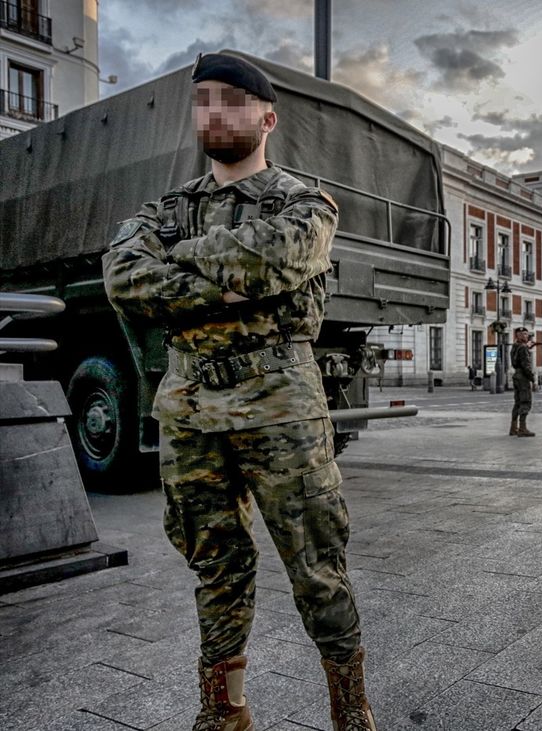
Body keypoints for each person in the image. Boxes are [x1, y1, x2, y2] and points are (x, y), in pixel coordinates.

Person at [101, 53, 376, 729]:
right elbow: (124, 281)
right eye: (203, 100)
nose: (215, 111)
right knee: (214, 565)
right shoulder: (162, 211)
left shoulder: (305, 205)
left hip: (281, 403)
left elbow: (275, 256)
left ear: (267, 116)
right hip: (192, 410)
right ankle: (223, 713)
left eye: (231, 99)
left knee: (317, 565)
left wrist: (183, 272)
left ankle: (351, 709)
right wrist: (230, 280)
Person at [509, 327, 537, 437]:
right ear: (518, 335)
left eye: (526, 334)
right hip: (523, 377)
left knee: (517, 402)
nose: (526, 336)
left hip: (516, 375)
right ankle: (522, 428)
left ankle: (513, 428)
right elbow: (526, 366)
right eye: (523, 334)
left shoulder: (514, 347)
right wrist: (533, 379)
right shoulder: (523, 348)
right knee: (525, 402)